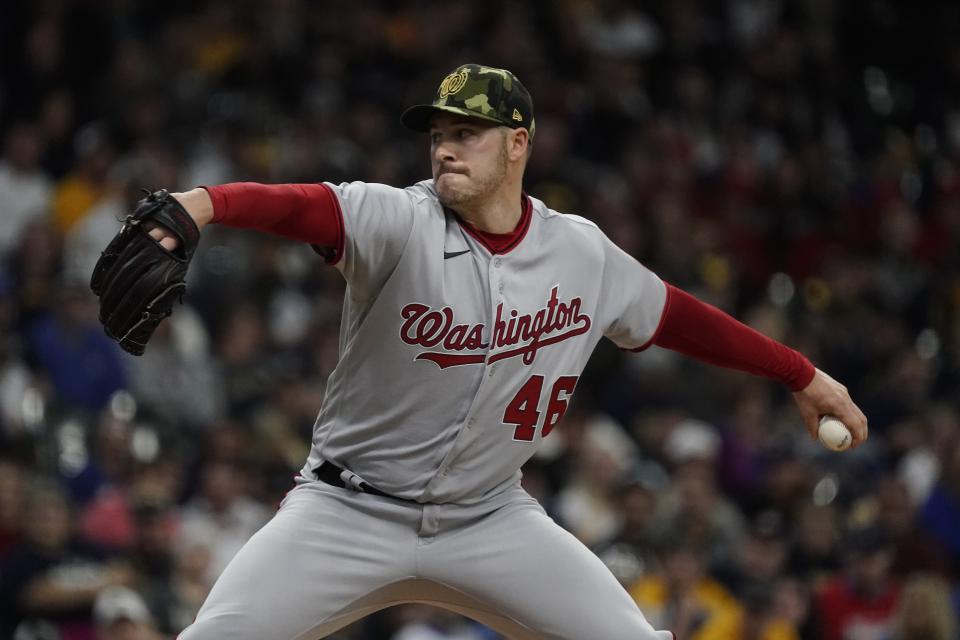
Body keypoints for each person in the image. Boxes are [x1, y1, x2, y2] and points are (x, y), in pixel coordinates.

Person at [145, 64, 866, 640]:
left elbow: (678, 317)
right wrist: (204, 204)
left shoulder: (579, 251)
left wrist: (798, 373)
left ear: (519, 143)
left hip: (487, 518)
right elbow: (303, 204)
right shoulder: (401, 219)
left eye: (470, 132)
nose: (446, 147)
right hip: (345, 510)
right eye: (438, 134)